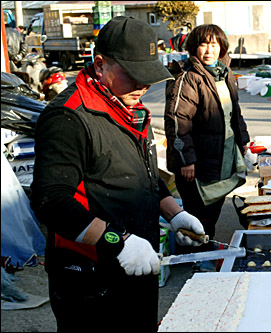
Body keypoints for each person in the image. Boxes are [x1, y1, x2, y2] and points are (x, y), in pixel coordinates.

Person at [30, 16, 205, 332]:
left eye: (149, 76)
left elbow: (143, 176)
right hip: (90, 277)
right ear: (100, 66)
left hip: (138, 261)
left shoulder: (131, 110)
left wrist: (175, 213)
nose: (143, 85)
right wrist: (118, 240)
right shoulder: (68, 117)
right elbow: (50, 201)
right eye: (134, 75)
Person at [164, 24, 250, 270]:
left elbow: (235, 113)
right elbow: (177, 121)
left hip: (220, 156)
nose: (209, 50)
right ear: (193, 48)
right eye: (204, 44)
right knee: (198, 212)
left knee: (212, 209)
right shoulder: (188, 78)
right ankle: (197, 261)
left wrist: (243, 141)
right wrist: (185, 160)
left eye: (214, 44)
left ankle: (202, 251)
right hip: (198, 160)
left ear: (222, 47)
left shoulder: (224, 74)